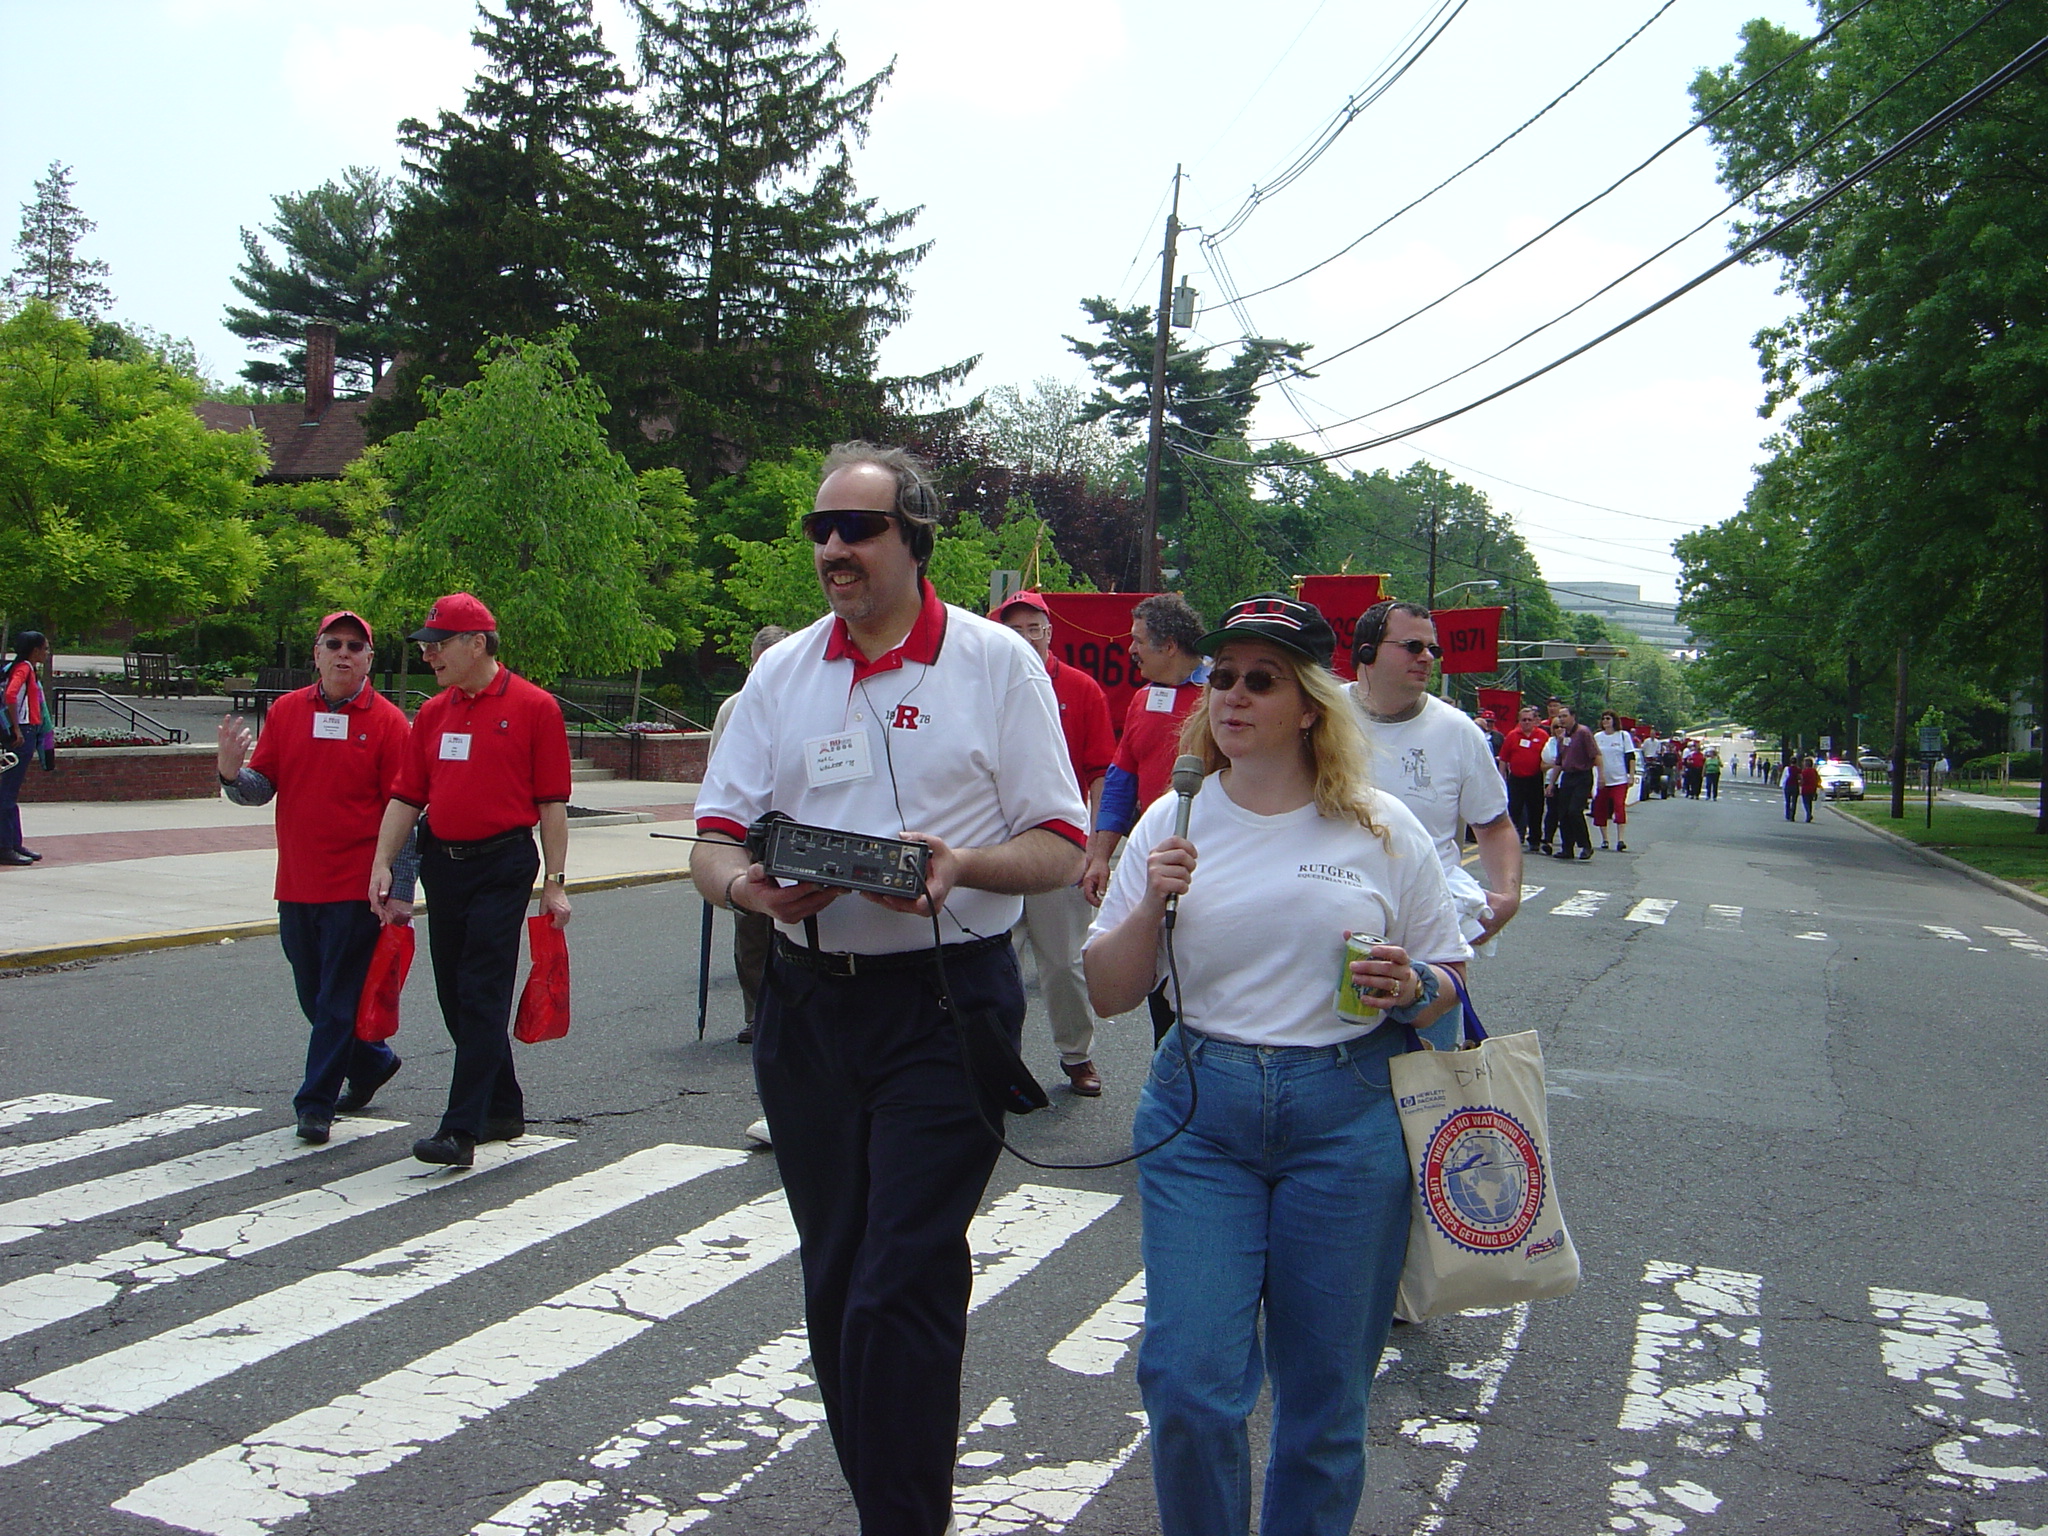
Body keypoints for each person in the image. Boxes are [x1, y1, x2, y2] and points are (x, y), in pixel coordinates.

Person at [687, 442, 1085, 1536]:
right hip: (809, 1011)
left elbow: (1059, 842)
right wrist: (753, 893)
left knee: (897, 1279)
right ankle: (893, 1513)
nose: (830, 548)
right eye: (819, 529)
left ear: (913, 539)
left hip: (943, 1004)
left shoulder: (996, 668)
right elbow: (712, 843)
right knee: (836, 1280)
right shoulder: (783, 674)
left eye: (854, 529)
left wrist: (959, 865)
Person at [1083, 592, 1469, 1536]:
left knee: (1326, 1401)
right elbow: (1106, 990)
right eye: (1222, 676)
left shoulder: (1379, 827)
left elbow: (1448, 976)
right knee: (1187, 1382)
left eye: (1262, 679)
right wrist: (1149, 904)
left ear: (1309, 703)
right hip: (1200, 1112)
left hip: (1345, 1117)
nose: (1233, 695)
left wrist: (1409, 982)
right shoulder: (1176, 820)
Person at [369, 592, 574, 1169]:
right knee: (454, 997)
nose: (429, 656)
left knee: (482, 991)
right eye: (427, 645)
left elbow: (552, 803)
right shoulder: (433, 714)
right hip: (444, 863)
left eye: (438, 644)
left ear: (475, 643)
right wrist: (384, 863)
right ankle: (504, 1107)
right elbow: (407, 796)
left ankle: (460, 1130)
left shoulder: (535, 707)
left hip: (504, 863)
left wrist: (555, 881)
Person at [218, 611, 415, 1143]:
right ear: (317, 653)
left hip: (358, 889)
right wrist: (231, 774)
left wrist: (399, 891)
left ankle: (315, 1105)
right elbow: (262, 786)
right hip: (298, 884)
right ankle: (371, 1062)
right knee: (313, 994)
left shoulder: (390, 723)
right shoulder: (287, 711)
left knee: (335, 1001)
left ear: (369, 659)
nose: (344, 653)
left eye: (356, 646)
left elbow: (406, 810)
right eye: (335, 643)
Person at [994, 588, 1117, 1097]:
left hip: (1058, 844)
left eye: (1034, 628)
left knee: (1063, 962)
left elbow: (1099, 772)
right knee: (992, 960)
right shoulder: (987, 686)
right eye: (1015, 629)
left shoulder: (1082, 689)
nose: (1025, 637)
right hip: (996, 845)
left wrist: (1093, 847)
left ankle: (1076, 1055)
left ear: (1050, 632)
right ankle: (997, 1062)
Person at [1345, 600, 1521, 949]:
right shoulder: (1320, 718)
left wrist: (1508, 897)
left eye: (1432, 649)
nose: (1427, 657)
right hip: (1336, 921)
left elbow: (1494, 825)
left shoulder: (1458, 731)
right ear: (1367, 652)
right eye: (1413, 647)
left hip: (1428, 932)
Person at [1082, 591, 1209, 1043]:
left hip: (1212, 866)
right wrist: (1100, 857)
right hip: (1159, 867)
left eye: (1138, 641)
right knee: (1162, 994)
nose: (1130, 650)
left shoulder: (1224, 692)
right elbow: (1120, 780)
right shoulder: (1143, 698)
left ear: (1169, 645)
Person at [711, 624, 792, 1052]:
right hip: (752, 833)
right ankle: (756, 1010)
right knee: (752, 925)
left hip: (797, 830)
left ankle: (795, 1010)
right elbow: (719, 777)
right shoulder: (734, 709)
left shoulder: (810, 701)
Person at [0, 633, 53, 865]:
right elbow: (10, 694)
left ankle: (14, 842)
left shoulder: (23, 667)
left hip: (26, 730)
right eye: (45, 649)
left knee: (11, 792)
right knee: (7, 794)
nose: (47, 653)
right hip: (22, 734)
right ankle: (5, 847)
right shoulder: (24, 669)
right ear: (34, 651)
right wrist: (17, 729)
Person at [1498, 703, 1550, 852]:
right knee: (1514, 809)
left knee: (1536, 810)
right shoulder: (1512, 736)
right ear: (1519, 721)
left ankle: (1534, 840)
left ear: (1534, 721)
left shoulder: (1542, 736)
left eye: (1529, 720)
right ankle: (1512, 838)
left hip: (1535, 778)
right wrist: (1502, 778)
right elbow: (1503, 758)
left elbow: (1548, 757)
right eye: (1523, 720)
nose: (1526, 722)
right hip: (1516, 778)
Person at [1551, 705, 1598, 860]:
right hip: (1567, 776)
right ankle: (1567, 848)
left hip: (1582, 775)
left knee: (1574, 811)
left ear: (1573, 716)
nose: (1562, 719)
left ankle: (1585, 845)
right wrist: (1552, 783)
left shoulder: (1583, 733)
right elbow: (1559, 762)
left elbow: (1595, 755)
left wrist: (1601, 777)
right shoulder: (1562, 737)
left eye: (1564, 716)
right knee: (1563, 813)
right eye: (1560, 716)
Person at [1591, 709, 1635, 852]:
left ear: (1614, 720)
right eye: (1603, 719)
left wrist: (1631, 775)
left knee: (1618, 805)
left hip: (1619, 778)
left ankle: (1620, 839)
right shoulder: (1598, 737)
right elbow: (1594, 756)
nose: (1605, 721)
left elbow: (1630, 756)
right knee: (1601, 808)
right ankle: (1605, 839)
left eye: (1608, 719)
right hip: (1603, 778)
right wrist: (1598, 776)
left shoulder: (1623, 736)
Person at [1799, 754, 1821, 821]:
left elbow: (1802, 781)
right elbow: (1818, 779)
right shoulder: (1814, 771)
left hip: (1805, 789)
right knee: (1810, 803)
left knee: (1805, 803)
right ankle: (1809, 813)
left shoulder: (1804, 772)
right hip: (1813, 789)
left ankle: (1808, 814)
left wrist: (1800, 783)